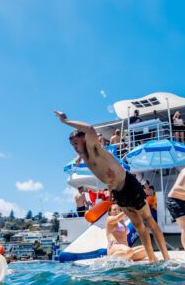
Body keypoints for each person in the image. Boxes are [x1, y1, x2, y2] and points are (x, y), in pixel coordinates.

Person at [55, 110, 169, 261]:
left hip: (128, 184)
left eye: (76, 143)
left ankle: (166, 258)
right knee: (139, 227)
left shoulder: (94, 149)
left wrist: (66, 121)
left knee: (149, 220)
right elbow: (82, 153)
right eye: (72, 145)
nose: (74, 147)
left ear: (85, 140)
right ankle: (152, 259)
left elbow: (89, 129)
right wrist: (78, 157)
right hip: (118, 192)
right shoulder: (84, 156)